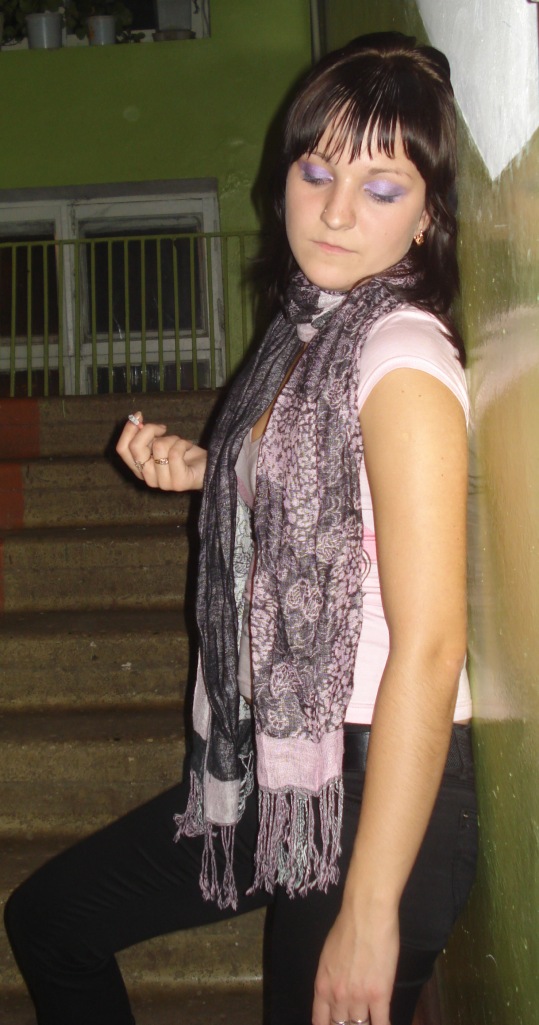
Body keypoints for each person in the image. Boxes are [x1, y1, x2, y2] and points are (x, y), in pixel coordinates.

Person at [5, 32, 477, 1025]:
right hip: (286, 759)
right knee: (53, 920)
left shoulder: (397, 356)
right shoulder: (307, 331)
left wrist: (370, 907)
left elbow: (432, 645)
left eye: (380, 187)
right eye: (315, 172)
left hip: (376, 789)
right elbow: (318, 493)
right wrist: (203, 468)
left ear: (428, 212)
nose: (335, 211)